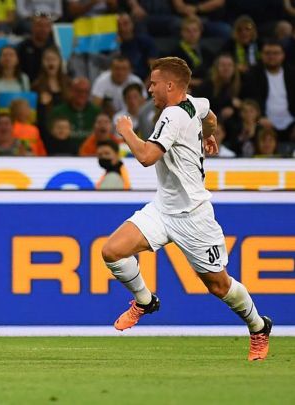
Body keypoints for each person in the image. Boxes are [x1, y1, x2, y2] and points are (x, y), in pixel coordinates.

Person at [108, 57, 272, 361]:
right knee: (112, 251)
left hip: (194, 216)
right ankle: (145, 301)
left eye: (154, 83)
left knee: (219, 286)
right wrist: (207, 134)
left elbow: (146, 157)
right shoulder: (193, 103)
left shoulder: (172, 116)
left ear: (170, 85)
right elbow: (210, 116)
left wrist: (126, 130)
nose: (149, 89)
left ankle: (259, 326)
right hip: (163, 209)